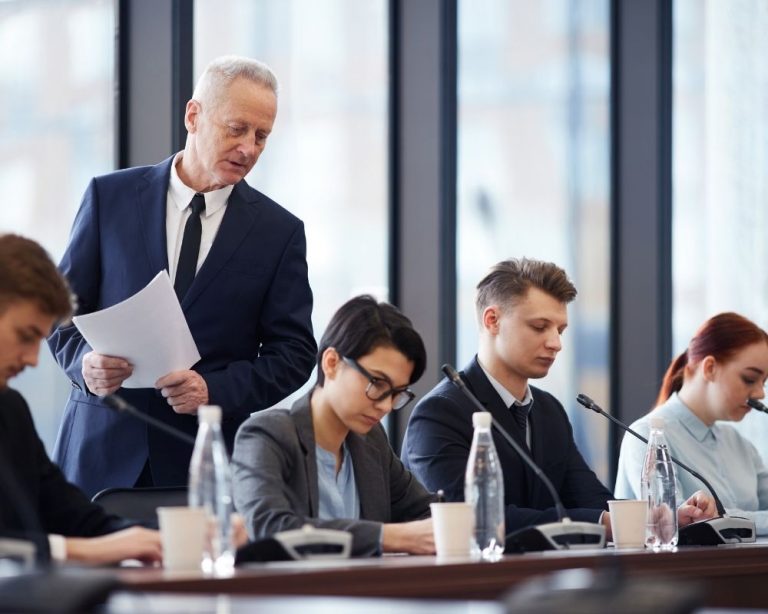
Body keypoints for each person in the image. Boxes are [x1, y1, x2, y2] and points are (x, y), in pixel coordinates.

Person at [48, 55, 317, 497]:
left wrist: (214, 389)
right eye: (237, 128)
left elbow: (294, 353)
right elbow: (59, 311)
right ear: (193, 116)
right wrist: (84, 364)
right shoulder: (109, 197)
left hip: (202, 463)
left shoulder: (279, 232)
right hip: (98, 452)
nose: (249, 148)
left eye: (261, 136)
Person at [402, 258, 717, 539]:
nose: (555, 343)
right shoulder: (439, 413)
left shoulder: (549, 410)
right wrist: (604, 522)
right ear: (492, 320)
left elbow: (590, 498)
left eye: (560, 330)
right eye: (539, 327)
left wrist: (659, 517)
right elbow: (472, 518)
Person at [0, 234, 161, 564]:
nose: (33, 359)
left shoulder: (10, 409)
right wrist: (86, 551)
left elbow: (77, 519)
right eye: (25, 336)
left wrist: (176, 539)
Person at [232, 295, 435, 557]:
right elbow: (270, 528)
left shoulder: (372, 441)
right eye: (377, 383)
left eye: (397, 393)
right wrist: (388, 537)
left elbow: (427, 511)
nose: (386, 405)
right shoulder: (266, 435)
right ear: (331, 363)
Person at [615, 312, 768, 534]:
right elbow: (676, 522)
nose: (760, 394)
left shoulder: (740, 444)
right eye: (749, 379)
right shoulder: (646, 436)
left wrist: (724, 518)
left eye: (764, 382)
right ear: (709, 368)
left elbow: (716, 521)